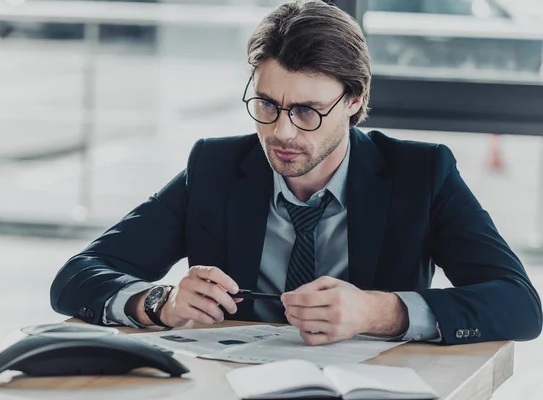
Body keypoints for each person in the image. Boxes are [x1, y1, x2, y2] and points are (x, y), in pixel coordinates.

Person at [50, 0, 542, 345]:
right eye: (266, 104)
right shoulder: (215, 168)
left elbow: (519, 304)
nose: (282, 132)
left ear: (354, 101)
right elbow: (76, 277)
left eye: (307, 111)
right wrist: (158, 301)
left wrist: (380, 311)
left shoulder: (422, 173)